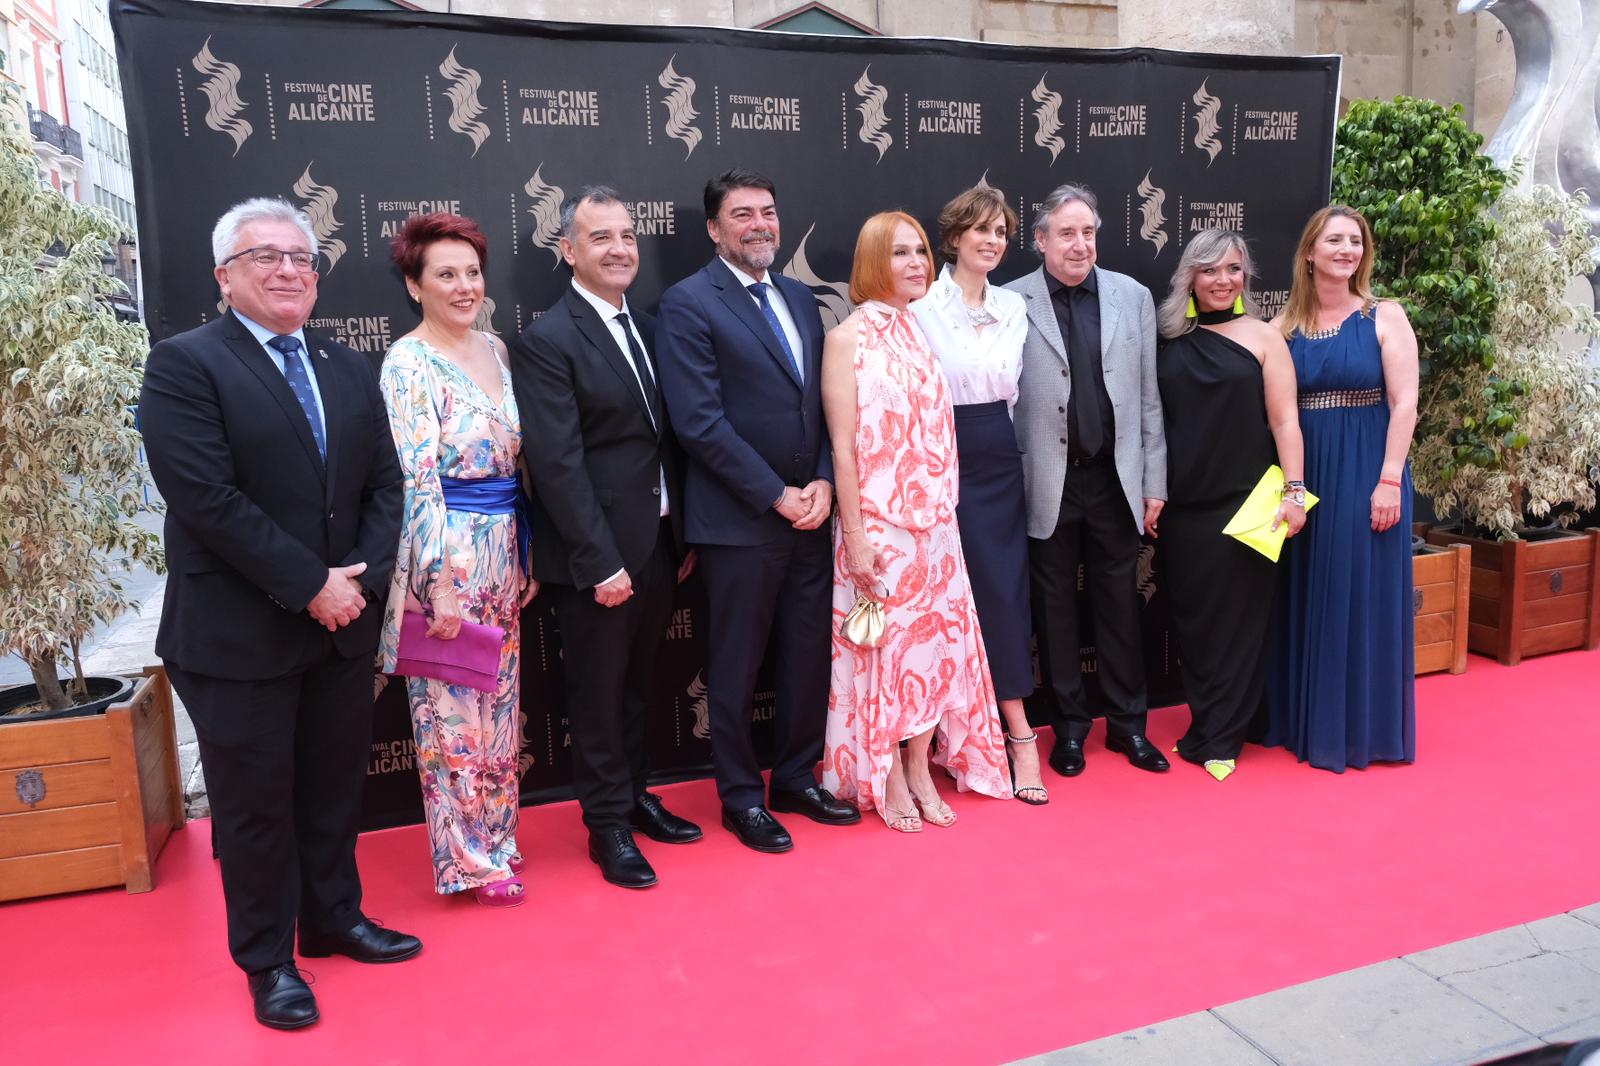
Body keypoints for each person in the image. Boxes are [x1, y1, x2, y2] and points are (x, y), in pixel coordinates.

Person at [140, 198, 419, 1031]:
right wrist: (311, 584)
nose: (290, 270)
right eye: (267, 257)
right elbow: (205, 498)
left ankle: (334, 919)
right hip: (240, 634)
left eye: (302, 258)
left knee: (332, 791)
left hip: (340, 626)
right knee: (256, 808)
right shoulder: (185, 364)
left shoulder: (343, 364)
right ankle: (268, 961)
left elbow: (385, 486)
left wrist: (357, 585)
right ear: (225, 275)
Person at [656, 168, 861, 853]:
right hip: (741, 523)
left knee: (807, 655)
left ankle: (797, 778)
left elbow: (829, 407)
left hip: (812, 515)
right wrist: (777, 495)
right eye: (741, 214)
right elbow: (699, 423)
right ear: (714, 229)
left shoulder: (803, 299)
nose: (759, 224)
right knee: (737, 665)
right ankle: (742, 795)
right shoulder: (688, 303)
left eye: (767, 212)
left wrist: (827, 485)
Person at [510, 187, 701, 890]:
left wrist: (679, 537)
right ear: (568, 251)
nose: (620, 248)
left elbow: (663, 441)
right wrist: (598, 563)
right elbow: (556, 465)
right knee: (595, 696)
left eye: (627, 235)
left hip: (657, 543)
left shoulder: (649, 328)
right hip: (597, 559)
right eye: (601, 238)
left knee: (639, 690)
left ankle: (636, 797)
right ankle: (607, 827)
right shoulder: (547, 339)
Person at [820, 211, 1013, 831]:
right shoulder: (847, 338)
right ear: (874, 260)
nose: (916, 264)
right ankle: (888, 772)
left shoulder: (918, 328)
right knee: (886, 653)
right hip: (879, 526)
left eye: (922, 252)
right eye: (901, 253)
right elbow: (844, 446)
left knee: (933, 656)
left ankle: (922, 763)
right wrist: (854, 535)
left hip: (935, 524)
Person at [377, 212, 535, 907]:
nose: (464, 285)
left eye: (472, 272)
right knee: (450, 717)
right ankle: (467, 859)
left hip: (503, 547)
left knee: (499, 711)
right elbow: (416, 478)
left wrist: (523, 553)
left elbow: (516, 467)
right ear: (415, 286)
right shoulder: (408, 363)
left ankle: (498, 840)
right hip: (450, 554)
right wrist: (435, 579)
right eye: (446, 274)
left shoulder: (497, 350)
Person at [1009, 183, 1171, 779]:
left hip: (1115, 480)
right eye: (1068, 233)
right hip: (1045, 482)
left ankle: (1129, 726)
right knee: (1053, 612)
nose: (1081, 245)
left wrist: (1154, 482)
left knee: (1119, 609)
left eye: (1090, 232)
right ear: (1042, 239)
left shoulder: (1132, 297)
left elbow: (1149, 399)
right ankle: (1070, 730)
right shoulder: (1008, 300)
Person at [1263, 205, 1419, 771]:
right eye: (1334, 240)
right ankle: (1304, 721)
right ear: (1309, 252)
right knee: (1306, 588)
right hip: (1306, 473)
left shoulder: (1384, 315)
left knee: (1358, 591)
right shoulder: (1284, 328)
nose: (1346, 250)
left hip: (1367, 470)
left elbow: (1405, 403)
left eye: (1355, 241)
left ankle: (1358, 729)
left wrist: (1389, 480)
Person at [1154, 229, 1306, 781]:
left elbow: (1286, 421)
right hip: (1184, 508)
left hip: (1250, 504)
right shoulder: (1167, 338)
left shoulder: (1265, 338)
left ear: (1246, 277)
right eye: (1210, 270)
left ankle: (1223, 737)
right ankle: (1209, 721)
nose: (1223, 281)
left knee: (1241, 625)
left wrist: (1294, 495)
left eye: (1234, 270)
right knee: (1195, 625)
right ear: (1190, 277)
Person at [911, 185, 1045, 805]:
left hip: (996, 451)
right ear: (955, 236)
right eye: (981, 230)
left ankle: (1018, 735)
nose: (992, 241)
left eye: (1002, 232)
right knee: (938, 601)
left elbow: (1014, 394)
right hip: (935, 455)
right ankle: (932, 742)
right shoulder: (920, 304)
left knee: (1003, 594)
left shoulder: (1015, 307)